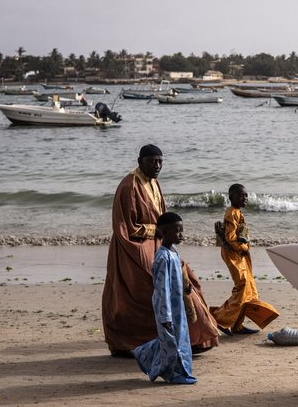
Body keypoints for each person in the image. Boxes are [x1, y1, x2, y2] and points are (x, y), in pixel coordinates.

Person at [102, 144, 218, 357]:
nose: (157, 166)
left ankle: (194, 338)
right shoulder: (129, 186)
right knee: (145, 288)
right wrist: (158, 231)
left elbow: (161, 216)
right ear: (140, 162)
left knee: (187, 279)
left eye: (160, 162)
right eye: (152, 161)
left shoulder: (154, 183)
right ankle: (132, 344)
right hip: (132, 247)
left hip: (158, 243)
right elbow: (126, 227)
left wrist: (165, 235)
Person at [134, 212, 196, 384]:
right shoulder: (162, 257)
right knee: (171, 341)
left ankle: (144, 353)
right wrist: (165, 314)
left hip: (178, 306)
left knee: (180, 338)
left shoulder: (174, 252)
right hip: (166, 307)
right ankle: (175, 374)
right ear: (165, 232)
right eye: (178, 231)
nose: (181, 235)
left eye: (182, 231)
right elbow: (161, 289)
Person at [210, 184, 279, 335]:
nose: (244, 198)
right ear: (231, 198)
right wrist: (244, 248)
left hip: (238, 255)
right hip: (234, 254)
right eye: (241, 196)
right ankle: (218, 319)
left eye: (246, 196)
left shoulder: (237, 212)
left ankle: (237, 325)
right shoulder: (232, 213)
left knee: (246, 288)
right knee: (241, 287)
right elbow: (230, 238)